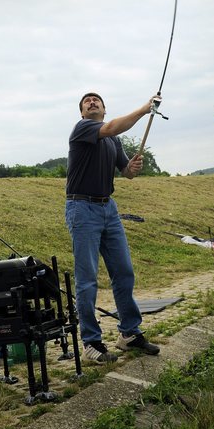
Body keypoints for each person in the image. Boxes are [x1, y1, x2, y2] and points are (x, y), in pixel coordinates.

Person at [65, 91, 160, 364]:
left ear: (104, 108)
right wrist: (144, 109)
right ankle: (91, 343)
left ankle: (129, 334)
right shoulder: (84, 129)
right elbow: (111, 127)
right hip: (81, 208)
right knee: (87, 279)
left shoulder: (113, 140)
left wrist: (133, 166)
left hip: (109, 208)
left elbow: (127, 173)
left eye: (97, 100)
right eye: (87, 102)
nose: (92, 102)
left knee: (124, 272)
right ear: (83, 113)